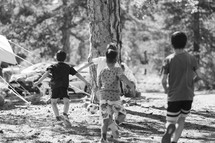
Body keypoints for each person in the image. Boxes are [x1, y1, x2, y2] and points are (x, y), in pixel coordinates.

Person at [161, 31, 202, 143]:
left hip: (174, 96)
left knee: (171, 120)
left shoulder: (169, 59)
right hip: (188, 96)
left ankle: (169, 128)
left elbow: (163, 80)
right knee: (182, 118)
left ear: (172, 43)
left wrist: (166, 90)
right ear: (185, 43)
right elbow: (200, 76)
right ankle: (175, 141)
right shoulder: (192, 58)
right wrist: (192, 82)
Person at [34, 50, 90, 121]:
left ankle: (57, 117)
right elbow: (77, 74)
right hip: (64, 86)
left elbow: (46, 74)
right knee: (66, 101)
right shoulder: (68, 67)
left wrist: (38, 81)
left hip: (55, 86)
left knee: (53, 102)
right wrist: (86, 82)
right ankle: (65, 114)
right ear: (65, 58)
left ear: (56, 58)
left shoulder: (53, 66)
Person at [98, 44, 135, 143]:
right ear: (115, 60)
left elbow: (99, 85)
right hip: (114, 99)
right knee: (122, 114)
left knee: (105, 119)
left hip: (103, 98)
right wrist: (131, 85)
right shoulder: (117, 69)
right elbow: (122, 78)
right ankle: (114, 126)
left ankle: (103, 138)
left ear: (106, 59)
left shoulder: (102, 71)